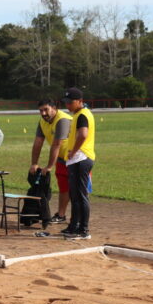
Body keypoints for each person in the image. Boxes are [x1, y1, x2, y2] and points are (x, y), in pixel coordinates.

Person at [61, 87, 96, 239]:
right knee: (74, 195)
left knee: (81, 195)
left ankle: (84, 230)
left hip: (81, 158)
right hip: (77, 159)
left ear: (80, 101)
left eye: (71, 102)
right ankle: (73, 226)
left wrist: (73, 151)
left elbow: (83, 135)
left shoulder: (82, 115)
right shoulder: (77, 114)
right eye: (66, 102)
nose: (68, 105)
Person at [30, 98, 72, 223]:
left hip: (76, 158)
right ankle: (61, 215)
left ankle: (78, 219)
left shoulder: (62, 120)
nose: (43, 113)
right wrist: (34, 163)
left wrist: (49, 166)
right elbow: (38, 143)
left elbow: (57, 144)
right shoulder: (42, 121)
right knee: (63, 188)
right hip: (61, 158)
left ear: (54, 108)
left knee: (77, 190)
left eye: (46, 110)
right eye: (40, 111)